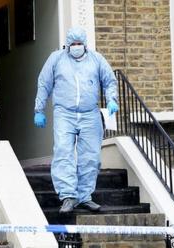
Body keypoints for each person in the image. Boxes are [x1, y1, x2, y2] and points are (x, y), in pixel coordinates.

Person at [33, 26, 119, 214]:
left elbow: (109, 81)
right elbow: (44, 83)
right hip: (65, 113)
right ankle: (68, 196)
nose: (76, 46)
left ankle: (84, 196)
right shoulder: (56, 59)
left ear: (85, 45)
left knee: (91, 156)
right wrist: (39, 109)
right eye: (73, 44)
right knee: (63, 152)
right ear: (67, 45)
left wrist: (112, 99)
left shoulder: (96, 59)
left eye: (79, 43)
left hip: (90, 114)